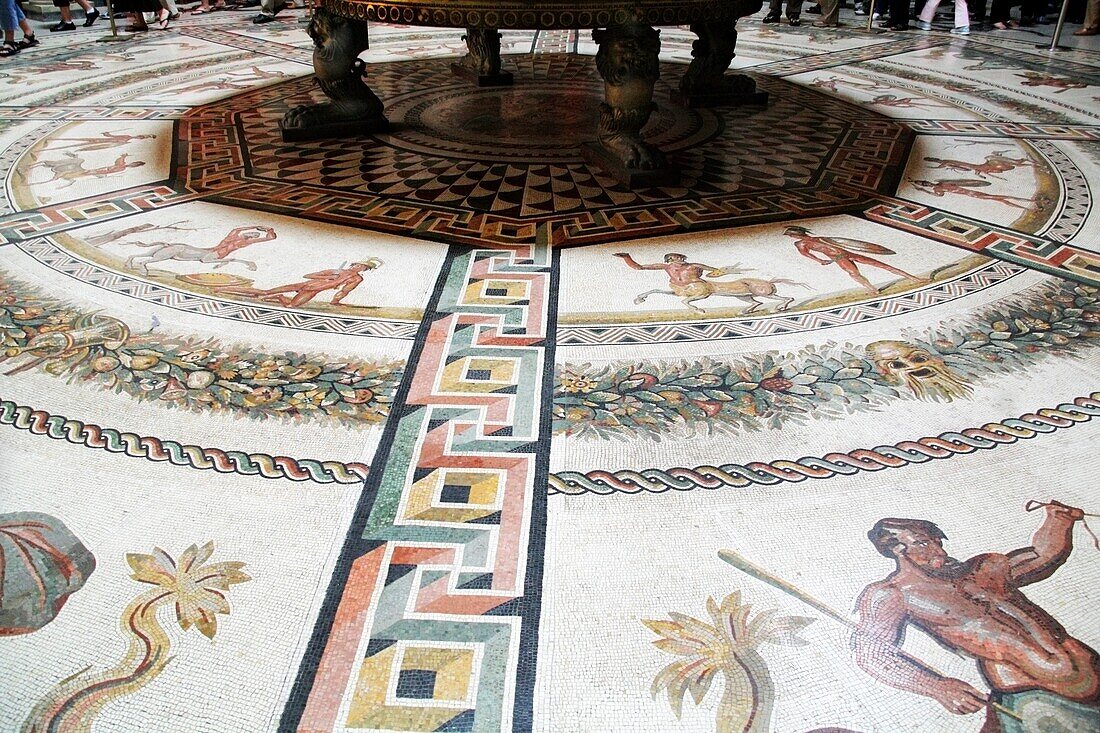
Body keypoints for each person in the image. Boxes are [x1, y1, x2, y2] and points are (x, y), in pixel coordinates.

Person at [852, 504, 1099, 731]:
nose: (937, 550)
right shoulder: (892, 595)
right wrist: (935, 687)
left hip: (1091, 671)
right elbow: (872, 653)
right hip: (1030, 696)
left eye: (937, 541)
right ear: (896, 550)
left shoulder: (984, 569)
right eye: (923, 544)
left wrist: (1059, 519)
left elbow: (1040, 555)